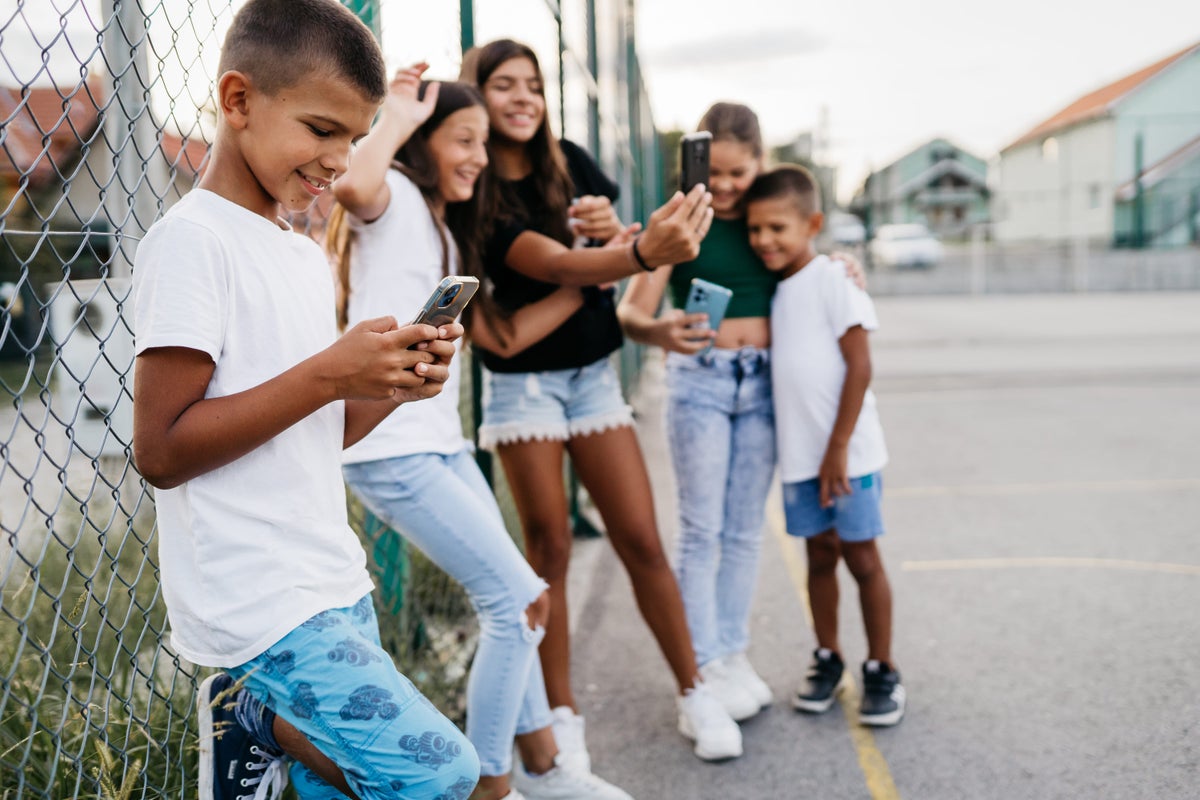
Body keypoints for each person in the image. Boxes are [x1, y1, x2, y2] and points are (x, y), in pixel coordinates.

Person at [130, 3, 480, 799]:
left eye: (355, 139)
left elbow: (314, 430)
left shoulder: (300, 255)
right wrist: (330, 372)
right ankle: (251, 716)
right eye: (321, 129)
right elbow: (161, 451)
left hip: (331, 575)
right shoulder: (193, 242)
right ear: (238, 99)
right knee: (441, 777)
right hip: (259, 601)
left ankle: (258, 726)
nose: (338, 158)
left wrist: (388, 386)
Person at [328, 64, 632, 800]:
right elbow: (351, 184)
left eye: (484, 144)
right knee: (520, 601)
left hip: (435, 443)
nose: (479, 156)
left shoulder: (440, 225)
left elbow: (507, 330)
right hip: (394, 451)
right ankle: (491, 785)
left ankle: (544, 769)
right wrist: (398, 112)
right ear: (422, 144)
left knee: (519, 604)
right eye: (464, 140)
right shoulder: (395, 196)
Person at [460, 39, 745, 763]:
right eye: (503, 85)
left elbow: (601, 246)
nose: (523, 97)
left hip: (592, 374)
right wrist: (625, 255)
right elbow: (559, 266)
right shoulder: (478, 192)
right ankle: (564, 721)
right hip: (524, 388)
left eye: (533, 84)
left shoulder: (572, 161)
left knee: (641, 538)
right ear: (477, 97)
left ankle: (695, 690)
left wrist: (609, 238)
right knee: (548, 549)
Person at [618, 103, 866, 728]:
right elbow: (632, 314)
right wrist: (663, 333)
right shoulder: (682, 219)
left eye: (739, 173)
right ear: (696, 162)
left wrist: (843, 265)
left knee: (746, 530)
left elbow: (810, 264)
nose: (725, 186)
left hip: (762, 387)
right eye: (716, 171)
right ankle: (699, 668)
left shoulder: (765, 218)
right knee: (702, 531)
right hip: (701, 381)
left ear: (760, 163)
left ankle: (732, 654)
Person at [743, 164, 905, 727]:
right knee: (819, 556)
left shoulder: (834, 278)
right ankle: (828, 657)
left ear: (812, 223)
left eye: (777, 228)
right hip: (803, 458)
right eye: (755, 229)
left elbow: (860, 366)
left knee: (862, 557)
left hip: (848, 454)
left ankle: (882, 668)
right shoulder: (774, 286)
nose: (764, 240)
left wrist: (838, 447)